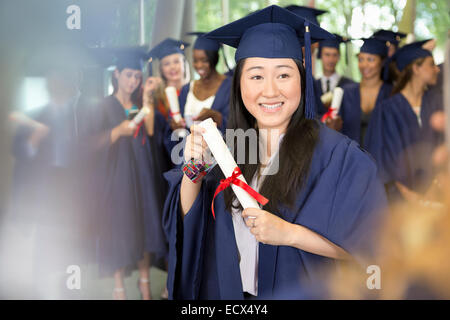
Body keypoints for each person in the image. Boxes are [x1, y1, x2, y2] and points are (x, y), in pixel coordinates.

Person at [163, 5, 387, 300]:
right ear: (239, 84)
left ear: (302, 79)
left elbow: (371, 249)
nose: (269, 91)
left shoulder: (339, 156)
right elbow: (191, 225)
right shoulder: (228, 147)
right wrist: (193, 169)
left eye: (283, 75)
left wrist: (290, 234)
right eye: (256, 76)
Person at [90, 48, 167, 300]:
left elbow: (152, 132)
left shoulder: (139, 105)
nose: (133, 81)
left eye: (137, 76)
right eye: (128, 76)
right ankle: (119, 286)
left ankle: (144, 283)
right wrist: (115, 132)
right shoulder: (103, 105)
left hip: (142, 174)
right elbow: (91, 143)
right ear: (117, 75)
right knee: (120, 228)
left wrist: (148, 100)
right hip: (117, 177)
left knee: (145, 224)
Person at [365, 40, 442, 202]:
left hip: (437, 197)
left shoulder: (437, 105)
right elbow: (379, 158)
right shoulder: (386, 110)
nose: (437, 69)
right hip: (398, 203)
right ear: (416, 68)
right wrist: (409, 196)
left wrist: (433, 190)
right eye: (431, 64)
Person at [335, 38, 392, 146]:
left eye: (370, 59)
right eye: (361, 60)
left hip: (381, 160)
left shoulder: (391, 93)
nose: (364, 65)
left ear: (382, 62)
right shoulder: (347, 92)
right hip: (351, 158)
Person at [314, 34, 355, 118]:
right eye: (327, 55)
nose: (331, 60)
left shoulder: (349, 85)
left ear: (339, 57)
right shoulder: (313, 85)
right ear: (320, 56)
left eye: (334, 55)